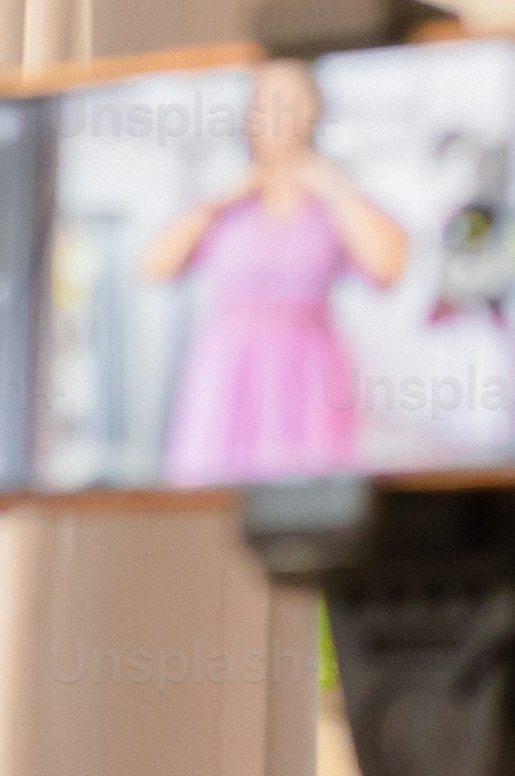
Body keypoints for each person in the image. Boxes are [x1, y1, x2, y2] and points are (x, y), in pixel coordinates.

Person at [144, 57, 405, 487]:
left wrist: (335, 187)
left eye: (296, 100)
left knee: (309, 494)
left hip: (309, 372)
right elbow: (156, 265)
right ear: (250, 113)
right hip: (229, 369)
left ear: (316, 110)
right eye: (271, 101)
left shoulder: (332, 200)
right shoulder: (225, 202)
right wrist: (223, 199)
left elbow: (388, 267)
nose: (284, 114)